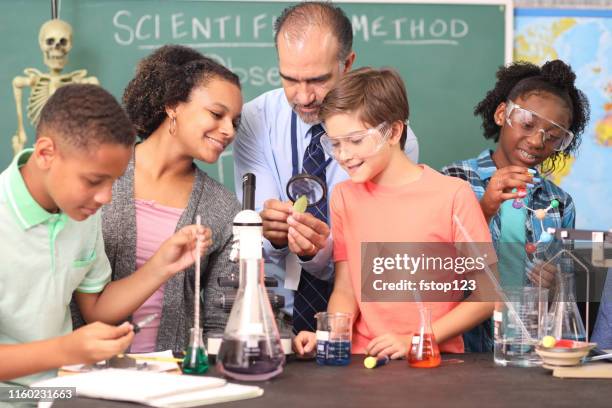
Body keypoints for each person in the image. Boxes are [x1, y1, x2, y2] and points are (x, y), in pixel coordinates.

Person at [0, 84, 207, 385]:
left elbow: (96, 308)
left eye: (113, 181)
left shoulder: (80, 212)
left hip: (64, 393)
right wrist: (65, 350)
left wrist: (162, 266)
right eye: (94, 180)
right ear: (46, 153)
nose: (106, 198)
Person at [233, 1, 419, 334]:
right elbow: (259, 240)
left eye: (318, 80)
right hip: (273, 319)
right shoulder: (254, 121)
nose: (303, 97)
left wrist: (321, 250)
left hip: (362, 326)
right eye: (289, 79)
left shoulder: (388, 141)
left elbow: (374, 256)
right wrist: (272, 235)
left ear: (347, 64)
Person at [293, 67, 495, 359]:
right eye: (334, 143)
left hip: (431, 362)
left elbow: (486, 297)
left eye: (356, 140)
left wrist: (416, 340)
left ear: (394, 132)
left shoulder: (453, 195)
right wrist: (330, 335)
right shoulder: (344, 197)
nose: (343, 155)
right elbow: (347, 289)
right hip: (364, 360)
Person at [73, 45, 243, 353]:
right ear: (173, 105)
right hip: (87, 371)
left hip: (173, 377)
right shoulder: (99, 176)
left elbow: (221, 319)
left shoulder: (222, 207)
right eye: (217, 114)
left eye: (235, 121)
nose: (229, 130)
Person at [441, 60, 590, 351]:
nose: (537, 141)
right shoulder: (452, 180)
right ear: (501, 114)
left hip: (530, 350)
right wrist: (484, 209)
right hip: (466, 351)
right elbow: (435, 265)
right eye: (528, 124)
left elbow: (565, 297)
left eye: (554, 135)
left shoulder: (559, 203)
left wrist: (556, 284)